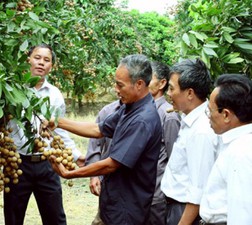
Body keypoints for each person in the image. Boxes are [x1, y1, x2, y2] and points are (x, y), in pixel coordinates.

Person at [49, 54, 162, 225]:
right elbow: (98, 129)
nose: (115, 89)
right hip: (114, 202)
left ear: (139, 84)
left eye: (120, 85)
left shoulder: (142, 120)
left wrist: (70, 174)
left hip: (127, 211)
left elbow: (112, 164)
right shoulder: (129, 107)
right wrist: (58, 122)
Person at [3, 44, 84, 225]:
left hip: (48, 164)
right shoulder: (11, 89)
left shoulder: (55, 94)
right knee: (13, 219)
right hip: (16, 164)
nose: (41, 63)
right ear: (28, 60)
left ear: (51, 66)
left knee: (56, 219)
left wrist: (77, 156)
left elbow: (59, 130)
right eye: (37, 58)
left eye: (46, 60)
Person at [160, 58, 217, 225]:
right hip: (174, 207)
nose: (168, 94)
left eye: (171, 88)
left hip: (185, 212)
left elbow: (198, 190)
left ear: (190, 93)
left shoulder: (201, 130)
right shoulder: (189, 120)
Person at [199, 74, 252, 225]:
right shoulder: (235, 143)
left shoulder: (241, 151)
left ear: (226, 115)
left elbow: (243, 215)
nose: (208, 117)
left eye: (210, 111)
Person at [147, 61, 181, 225]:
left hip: (157, 196)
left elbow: (173, 159)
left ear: (162, 83)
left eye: (149, 78)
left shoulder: (168, 116)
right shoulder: (144, 111)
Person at [85, 99, 121, 225]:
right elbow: (95, 144)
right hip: (108, 182)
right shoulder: (107, 111)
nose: (117, 89)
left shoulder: (148, 114)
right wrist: (94, 175)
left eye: (121, 85)